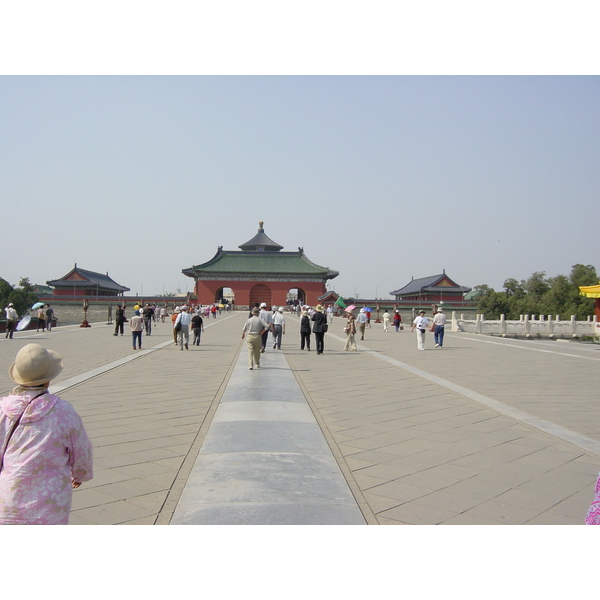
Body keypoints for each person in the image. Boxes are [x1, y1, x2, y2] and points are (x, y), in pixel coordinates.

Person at [0, 344, 93, 524]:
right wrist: (80, 474)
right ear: (48, 379)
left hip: (8, 501)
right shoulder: (63, 411)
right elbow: (82, 450)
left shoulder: (3, 409)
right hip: (50, 506)